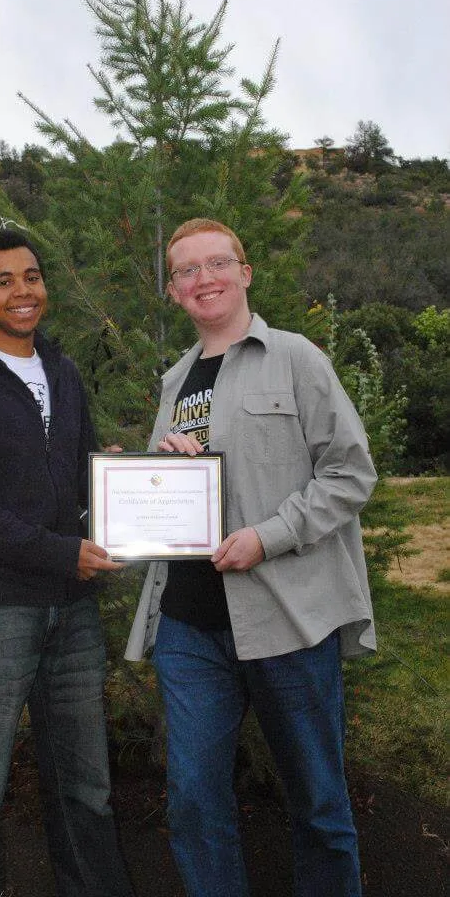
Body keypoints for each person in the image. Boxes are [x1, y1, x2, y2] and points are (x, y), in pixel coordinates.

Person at [125, 218, 377, 897]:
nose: (202, 278)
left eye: (216, 263)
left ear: (244, 273)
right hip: (187, 626)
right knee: (195, 803)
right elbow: (173, 496)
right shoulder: (174, 380)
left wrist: (267, 535)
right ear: (174, 291)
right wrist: (144, 478)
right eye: (186, 270)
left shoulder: (295, 359)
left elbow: (350, 474)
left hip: (286, 619)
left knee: (318, 804)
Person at [0, 229, 134, 897]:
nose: (22, 292)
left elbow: (77, 478)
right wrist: (58, 552)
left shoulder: (62, 374)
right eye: (4, 280)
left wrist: (118, 495)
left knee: (85, 787)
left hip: (70, 612)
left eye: (32, 277)